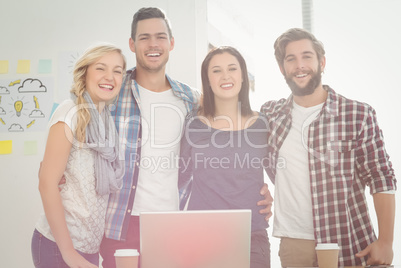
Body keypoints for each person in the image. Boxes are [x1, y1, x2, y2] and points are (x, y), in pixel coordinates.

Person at [99, 7, 273, 268]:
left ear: (171, 42)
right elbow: (80, 128)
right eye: (144, 37)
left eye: (160, 36)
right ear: (132, 44)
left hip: (175, 224)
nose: (153, 43)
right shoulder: (112, 91)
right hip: (121, 224)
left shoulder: (188, 99)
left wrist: (263, 194)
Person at [260, 27, 397, 267]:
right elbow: (255, 159)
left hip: (349, 238)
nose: (299, 65)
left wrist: (385, 242)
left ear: (322, 62)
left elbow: (380, 177)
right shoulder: (270, 114)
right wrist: (260, 190)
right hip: (294, 243)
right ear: (282, 69)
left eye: (307, 56)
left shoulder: (357, 114)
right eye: (290, 59)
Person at [31, 44, 126, 268]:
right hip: (58, 247)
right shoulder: (70, 112)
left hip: (88, 248)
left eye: (117, 71)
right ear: (85, 73)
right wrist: (69, 253)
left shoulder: (105, 123)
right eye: (101, 68)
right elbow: (47, 183)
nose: (109, 77)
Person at [179, 46, 271, 268]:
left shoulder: (263, 124)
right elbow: (177, 181)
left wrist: (269, 195)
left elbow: (281, 176)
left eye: (232, 68)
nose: (226, 76)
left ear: (242, 76)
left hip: (252, 236)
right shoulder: (194, 125)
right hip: (201, 235)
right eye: (216, 71)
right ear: (207, 80)